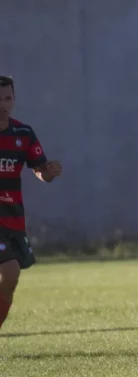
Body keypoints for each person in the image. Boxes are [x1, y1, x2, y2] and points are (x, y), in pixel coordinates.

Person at [0, 75, 62, 331]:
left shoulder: (23, 133)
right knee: (10, 271)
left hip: (12, 217)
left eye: (7, 98)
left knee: (10, 280)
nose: (3, 103)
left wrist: (49, 171)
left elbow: (40, 170)